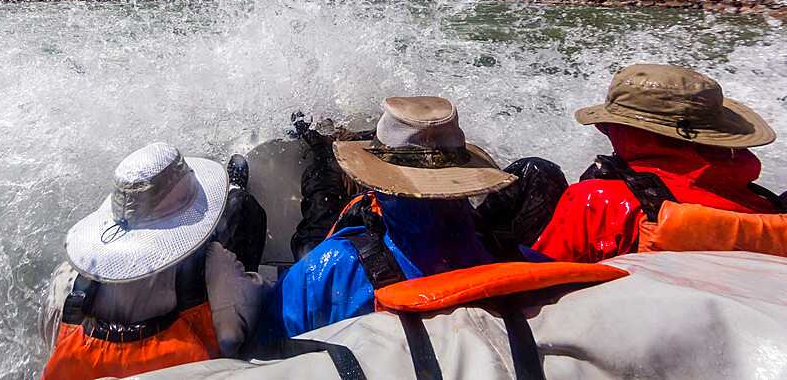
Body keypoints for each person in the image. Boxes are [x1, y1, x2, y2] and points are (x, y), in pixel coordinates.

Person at [256, 96, 516, 344]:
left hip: (337, 264)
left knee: (320, 211)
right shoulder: (517, 258)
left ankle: (323, 152)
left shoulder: (325, 271)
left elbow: (266, 348)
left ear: (380, 184)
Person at [40, 142, 269, 380]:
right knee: (242, 209)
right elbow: (240, 329)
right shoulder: (212, 268)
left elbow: (53, 344)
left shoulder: (66, 284)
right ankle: (234, 195)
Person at [534, 63, 782, 263]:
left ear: (630, 133)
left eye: (608, 126)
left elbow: (541, 277)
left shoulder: (596, 200)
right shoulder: (765, 204)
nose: (604, 130)